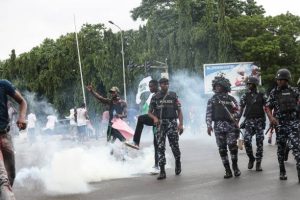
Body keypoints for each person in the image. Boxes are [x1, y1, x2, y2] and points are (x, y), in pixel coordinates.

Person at [265, 68, 300, 182]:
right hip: (280, 124)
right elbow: (268, 107)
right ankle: (282, 170)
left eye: (281, 80)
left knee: (297, 148)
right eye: (278, 79)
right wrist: (271, 118)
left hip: (294, 124)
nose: (278, 81)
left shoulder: (294, 91)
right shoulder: (274, 92)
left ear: (286, 80)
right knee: (281, 149)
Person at [206, 74, 241, 179]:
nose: (217, 87)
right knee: (222, 149)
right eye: (215, 86)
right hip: (218, 127)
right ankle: (227, 170)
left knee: (232, 147)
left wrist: (233, 116)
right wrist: (208, 125)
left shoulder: (231, 99)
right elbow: (208, 113)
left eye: (219, 86)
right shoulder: (212, 99)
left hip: (230, 127)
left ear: (224, 86)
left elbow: (238, 111)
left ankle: (235, 167)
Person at [148, 78, 184, 180]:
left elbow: (179, 111)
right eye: (163, 84)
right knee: (160, 147)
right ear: (160, 85)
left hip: (172, 123)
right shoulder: (155, 97)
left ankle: (178, 162)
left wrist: (181, 124)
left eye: (167, 84)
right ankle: (162, 171)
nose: (165, 85)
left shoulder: (173, 95)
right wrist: (154, 118)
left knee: (174, 146)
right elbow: (149, 112)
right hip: (160, 124)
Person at [125, 80, 160, 174]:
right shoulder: (153, 96)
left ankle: (160, 165)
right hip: (155, 121)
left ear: (156, 86)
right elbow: (150, 111)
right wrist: (152, 117)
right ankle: (136, 143)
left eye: (151, 86)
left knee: (159, 144)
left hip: (164, 121)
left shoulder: (163, 95)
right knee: (141, 119)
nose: (150, 88)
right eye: (149, 86)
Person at [0, 79, 27, 200]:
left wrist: (21, 117)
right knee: (3, 180)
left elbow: (22, 101)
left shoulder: (3, 84)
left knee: (11, 175)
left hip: (5, 135)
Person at [238, 76, 267, 171]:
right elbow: (241, 109)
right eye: (248, 84)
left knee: (259, 142)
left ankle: (258, 162)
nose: (248, 85)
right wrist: (237, 121)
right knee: (247, 140)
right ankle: (251, 158)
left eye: (250, 84)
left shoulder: (262, 95)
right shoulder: (244, 96)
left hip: (259, 121)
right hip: (249, 121)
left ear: (255, 85)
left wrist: (270, 119)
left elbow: (267, 108)